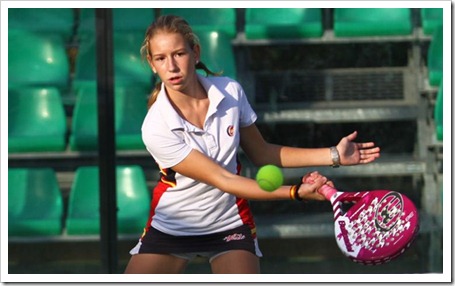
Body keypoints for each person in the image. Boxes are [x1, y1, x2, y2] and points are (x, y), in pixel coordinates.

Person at [124, 14, 380, 274]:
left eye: (179, 54)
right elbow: (225, 179)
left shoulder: (230, 92)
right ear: (152, 64)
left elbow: (263, 153)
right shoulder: (156, 126)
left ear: (196, 52)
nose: (172, 66)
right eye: (161, 58)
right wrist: (295, 192)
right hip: (172, 227)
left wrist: (334, 154)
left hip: (229, 223)